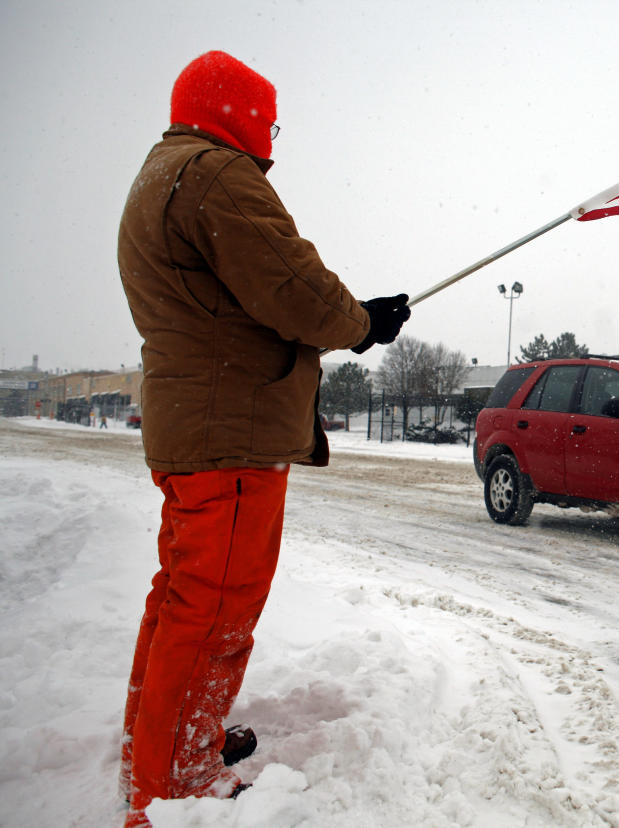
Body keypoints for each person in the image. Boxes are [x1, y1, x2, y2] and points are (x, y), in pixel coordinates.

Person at [115, 50, 410, 827]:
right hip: (231, 435)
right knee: (214, 608)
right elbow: (294, 286)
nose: (271, 138)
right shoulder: (216, 174)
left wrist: (349, 319)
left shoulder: (160, 173)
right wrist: (362, 324)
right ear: (235, 110)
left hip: (195, 430)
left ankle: (159, 743)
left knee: (178, 598)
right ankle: (172, 782)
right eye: (268, 120)